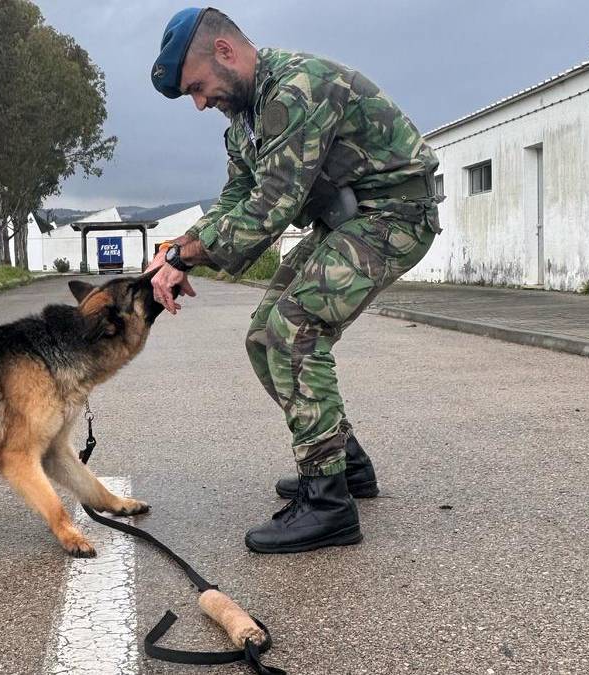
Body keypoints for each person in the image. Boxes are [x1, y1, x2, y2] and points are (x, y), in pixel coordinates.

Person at [145, 7, 442, 554]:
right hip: (349, 220)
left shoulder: (298, 89)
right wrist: (172, 251)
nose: (200, 102)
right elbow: (236, 198)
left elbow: (269, 207)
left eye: (198, 86)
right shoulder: (243, 120)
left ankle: (328, 504)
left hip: (396, 215)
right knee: (263, 335)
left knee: (292, 329)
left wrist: (186, 257)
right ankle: (344, 463)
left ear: (226, 52)